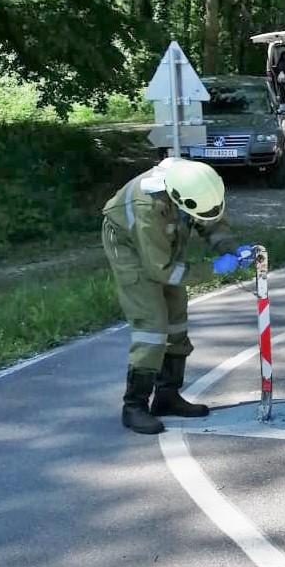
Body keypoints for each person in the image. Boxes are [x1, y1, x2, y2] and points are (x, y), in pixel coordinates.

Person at [101, 158, 256, 434]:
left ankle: (167, 396)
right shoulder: (146, 207)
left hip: (162, 244)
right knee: (152, 326)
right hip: (130, 249)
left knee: (176, 319)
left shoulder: (197, 185)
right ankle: (134, 406)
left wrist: (229, 250)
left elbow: (211, 221)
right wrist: (213, 269)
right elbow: (160, 269)